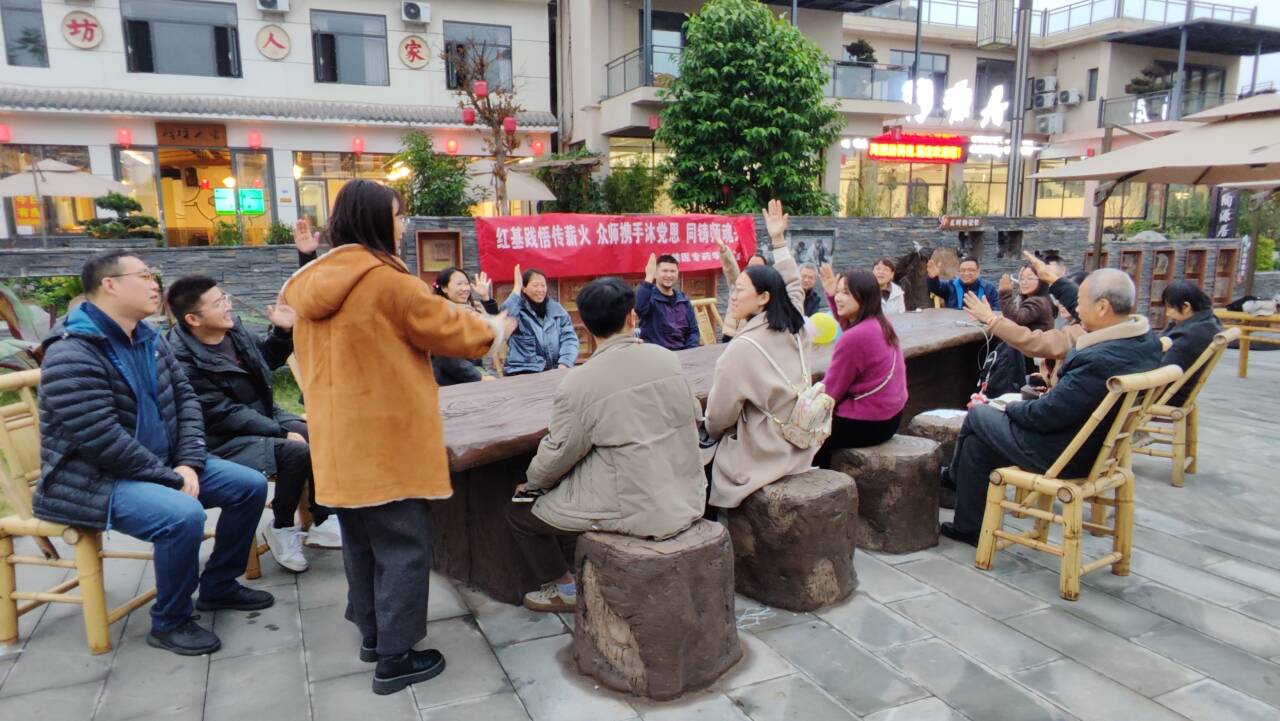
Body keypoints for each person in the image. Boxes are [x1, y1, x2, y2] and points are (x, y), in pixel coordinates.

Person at [281, 180, 513, 695]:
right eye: (398, 215)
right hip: (387, 443)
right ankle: (396, 658)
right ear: (374, 220)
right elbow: (456, 332)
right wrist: (495, 327)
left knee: (362, 545)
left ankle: (373, 636)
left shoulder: (314, 283)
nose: (403, 225)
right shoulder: (388, 282)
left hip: (337, 446)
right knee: (405, 546)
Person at [33, 251, 272, 656]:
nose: (154, 284)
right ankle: (170, 621)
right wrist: (171, 478)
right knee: (182, 515)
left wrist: (188, 462)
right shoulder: (72, 352)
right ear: (110, 285)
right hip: (95, 479)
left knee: (248, 484)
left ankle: (218, 585)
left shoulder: (149, 340)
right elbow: (100, 439)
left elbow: (187, 401)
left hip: (162, 465)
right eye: (143, 275)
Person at [506, 277, 706, 612]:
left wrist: (531, 485)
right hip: (686, 492)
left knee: (518, 512)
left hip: (634, 507)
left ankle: (565, 588)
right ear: (632, 317)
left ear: (584, 325)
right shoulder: (667, 359)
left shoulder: (580, 382)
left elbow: (557, 454)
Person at [940, 268, 1160, 546]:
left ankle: (951, 478)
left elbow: (1045, 415)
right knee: (976, 444)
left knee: (979, 414)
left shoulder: (1099, 359)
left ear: (1103, 307)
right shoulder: (1145, 341)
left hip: (1063, 453)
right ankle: (968, 527)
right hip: (1099, 449)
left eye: (1080, 302)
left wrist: (1008, 408)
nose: (1076, 309)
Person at [165, 274, 340, 576]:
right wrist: (281, 431)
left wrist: (282, 332)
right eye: (218, 303)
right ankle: (281, 527)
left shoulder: (233, 331)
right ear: (193, 318)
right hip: (219, 438)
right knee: (295, 451)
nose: (227, 306)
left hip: (261, 414)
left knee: (318, 433)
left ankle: (322, 518)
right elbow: (222, 413)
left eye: (224, 298)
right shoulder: (182, 359)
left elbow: (265, 361)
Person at [705, 200, 816, 510]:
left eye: (740, 290)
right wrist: (778, 241)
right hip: (801, 447)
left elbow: (718, 418)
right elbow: (792, 285)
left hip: (765, 456)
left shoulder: (742, 348)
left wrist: (712, 429)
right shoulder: (794, 323)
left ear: (764, 297)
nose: (733, 295)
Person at [814, 270, 908, 469]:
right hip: (891, 418)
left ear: (864, 296)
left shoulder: (855, 337)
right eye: (838, 292)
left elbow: (831, 392)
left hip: (867, 424)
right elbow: (852, 329)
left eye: (846, 293)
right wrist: (831, 296)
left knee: (807, 433)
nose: (839, 298)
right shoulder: (881, 323)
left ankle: (818, 476)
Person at [501, 265, 580, 375]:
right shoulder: (517, 310)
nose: (540, 290)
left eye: (543, 285)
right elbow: (504, 318)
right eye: (535, 285)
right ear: (524, 289)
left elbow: (569, 338)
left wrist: (565, 363)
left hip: (555, 371)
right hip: (522, 373)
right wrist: (516, 289)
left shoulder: (557, 310)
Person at [432, 267, 500, 385]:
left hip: (470, 373)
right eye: (459, 284)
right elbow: (447, 354)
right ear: (444, 288)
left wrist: (485, 298)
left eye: (466, 283)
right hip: (451, 381)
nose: (465, 288)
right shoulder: (441, 313)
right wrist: (478, 377)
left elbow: (492, 329)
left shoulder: (472, 308)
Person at [1160, 281, 1222, 407]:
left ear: (1186, 307)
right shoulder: (1209, 321)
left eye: (1170, 307)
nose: (1167, 313)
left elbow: (1163, 371)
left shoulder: (1190, 335)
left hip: (1168, 395)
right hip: (1182, 390)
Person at [636, 253, 701, 350]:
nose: (669, 275)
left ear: (677, 273)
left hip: (684, 353)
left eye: (673, 271)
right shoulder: (649, 298)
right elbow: (639, 308)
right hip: (657, 354)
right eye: (665, 271)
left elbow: (693, 331)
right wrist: (649, 277)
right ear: (655, 274)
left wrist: (689, 351)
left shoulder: (683, 300)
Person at [927, 255, 1000, 311]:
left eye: (971, 270)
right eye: (963, 270)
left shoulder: (989, 288)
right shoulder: (951, 286)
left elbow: (997, 310)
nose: (966, 273)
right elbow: (935, 288)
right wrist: (933, 278)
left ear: (978, 271)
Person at [998, 264, 1056, 333]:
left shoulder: (1038, 302)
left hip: (1035, 340)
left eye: (1029, 278)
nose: (1024, 282)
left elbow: (1015, 320)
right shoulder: (1044, 299)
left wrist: (1005, 294)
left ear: (1041, 280)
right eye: (1022, 279)